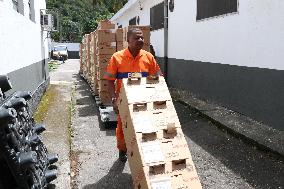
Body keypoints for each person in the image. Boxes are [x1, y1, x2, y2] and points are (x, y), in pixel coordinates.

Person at [104, 28, 161, 162]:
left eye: (142, 38)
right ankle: (122, 150)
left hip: (144, 101)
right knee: (123, 129)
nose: (140, 40)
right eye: (137, 38)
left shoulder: (148, 57)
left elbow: (158, 77)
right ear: (128, 40)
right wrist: (114, 100)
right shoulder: (117, 58)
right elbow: (110, 81)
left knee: (145, 127)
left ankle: (143, 152)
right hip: (125, 102)